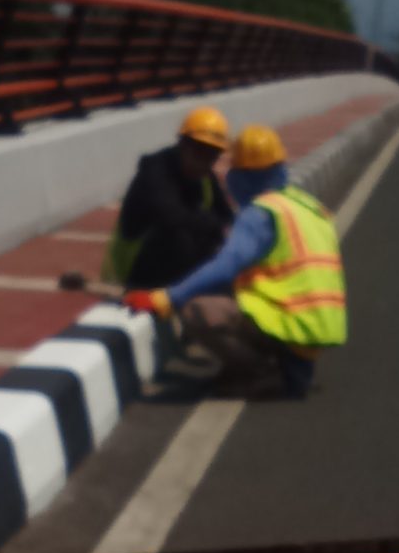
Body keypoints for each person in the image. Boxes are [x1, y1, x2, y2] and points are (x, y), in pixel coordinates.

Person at [124, 124, 346, 400]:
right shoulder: (307, 207)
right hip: (320, 325)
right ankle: (290, 370)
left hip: (290, 324)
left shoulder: (261, 213)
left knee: (197, 309)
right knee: (230, 290)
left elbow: (225, 266)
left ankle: (261, 373)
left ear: (240, 173)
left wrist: (167, 298)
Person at [100, 104, 232, 291]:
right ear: (183, 144)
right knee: (183, 233)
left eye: (213, 154)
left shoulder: (205, 177)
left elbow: (227, 217)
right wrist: (213, 224)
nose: (206, 159)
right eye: (200, 150)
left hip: (172, 263)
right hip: (135, 269)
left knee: (213, 235)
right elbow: (172, 216)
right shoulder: (155, 171)